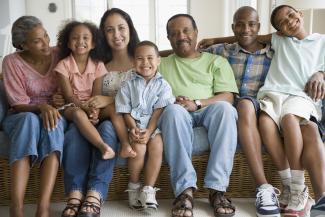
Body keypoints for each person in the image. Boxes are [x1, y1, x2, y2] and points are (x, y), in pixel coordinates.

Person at [61, 8, 140, 217]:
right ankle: (75, 193)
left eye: (121, 28)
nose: (117, 35)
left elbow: (149, 97)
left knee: (108, 130)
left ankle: (95, 194)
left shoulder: (143, 60)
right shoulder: (97, 63)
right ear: (102, 36)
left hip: (126, 119)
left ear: (130, 29)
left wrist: (110, 99)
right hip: (95, 114)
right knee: (73, 133)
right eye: (109, 30)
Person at [158, 14, 238, 217]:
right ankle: (184, 192)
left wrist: (197, 103)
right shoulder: (160, 64)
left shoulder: (216, 61)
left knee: (226, 109)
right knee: (173, 110)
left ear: (196, 33)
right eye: (174, 33)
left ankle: (217, 189)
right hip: (177, 112)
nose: (181, 36)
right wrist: (174, 102)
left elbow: (227, 96)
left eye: (186, 30)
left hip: (206, 109)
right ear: (168, 38)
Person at [255, 5, 325, 217]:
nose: (290, 21)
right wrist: (213, 41)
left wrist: (321, 73)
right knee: (265, 122)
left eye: (291, 15)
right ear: (279, 32)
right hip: (274, 92)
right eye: (283, 23)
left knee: (288, 118)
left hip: (301, 96)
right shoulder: (279, 40)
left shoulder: (322, 41)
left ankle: (298, 186)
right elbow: (246, 36)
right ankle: (288, 185)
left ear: (300, 14)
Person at [2, 16, 66, 217]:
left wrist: (60, 99)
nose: (46, 43)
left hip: (52, 113)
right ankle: (17, 207)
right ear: (23, 44)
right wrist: (42, 107)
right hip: (21, 115)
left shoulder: (60, 54)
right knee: (31, 121)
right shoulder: (11, 62)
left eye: (45, 35)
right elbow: (17, 103)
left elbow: (75, 80)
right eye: (37, 40)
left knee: (53, 121)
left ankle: (43, 207)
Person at [115, 40, 175, 210]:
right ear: (133, 62)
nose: (145, 63)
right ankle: (134, 186)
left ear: (158, 60)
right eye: (140, 59)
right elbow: (124, 110)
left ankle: (148, 189)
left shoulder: (163, 85)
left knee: (157, 145)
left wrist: (150, 130)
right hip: (134, 125)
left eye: (150, 58)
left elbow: (159, 110)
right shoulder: (127, 84)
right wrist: (133, 128)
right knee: (139, 149)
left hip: (154, 126)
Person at [55, 21, 116, 160]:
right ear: (68, 43)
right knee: (77, 113)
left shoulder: (98, 65)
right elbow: (69, 96)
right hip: (71, 107)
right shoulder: (63, 66)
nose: (80, 41)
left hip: (91, 105)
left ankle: (126, 142)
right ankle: (103, 146)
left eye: (85, 38)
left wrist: (95, 111)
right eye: (75, 38)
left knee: (113, 109)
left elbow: (96, 94)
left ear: (93, 44)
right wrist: (85, 108)